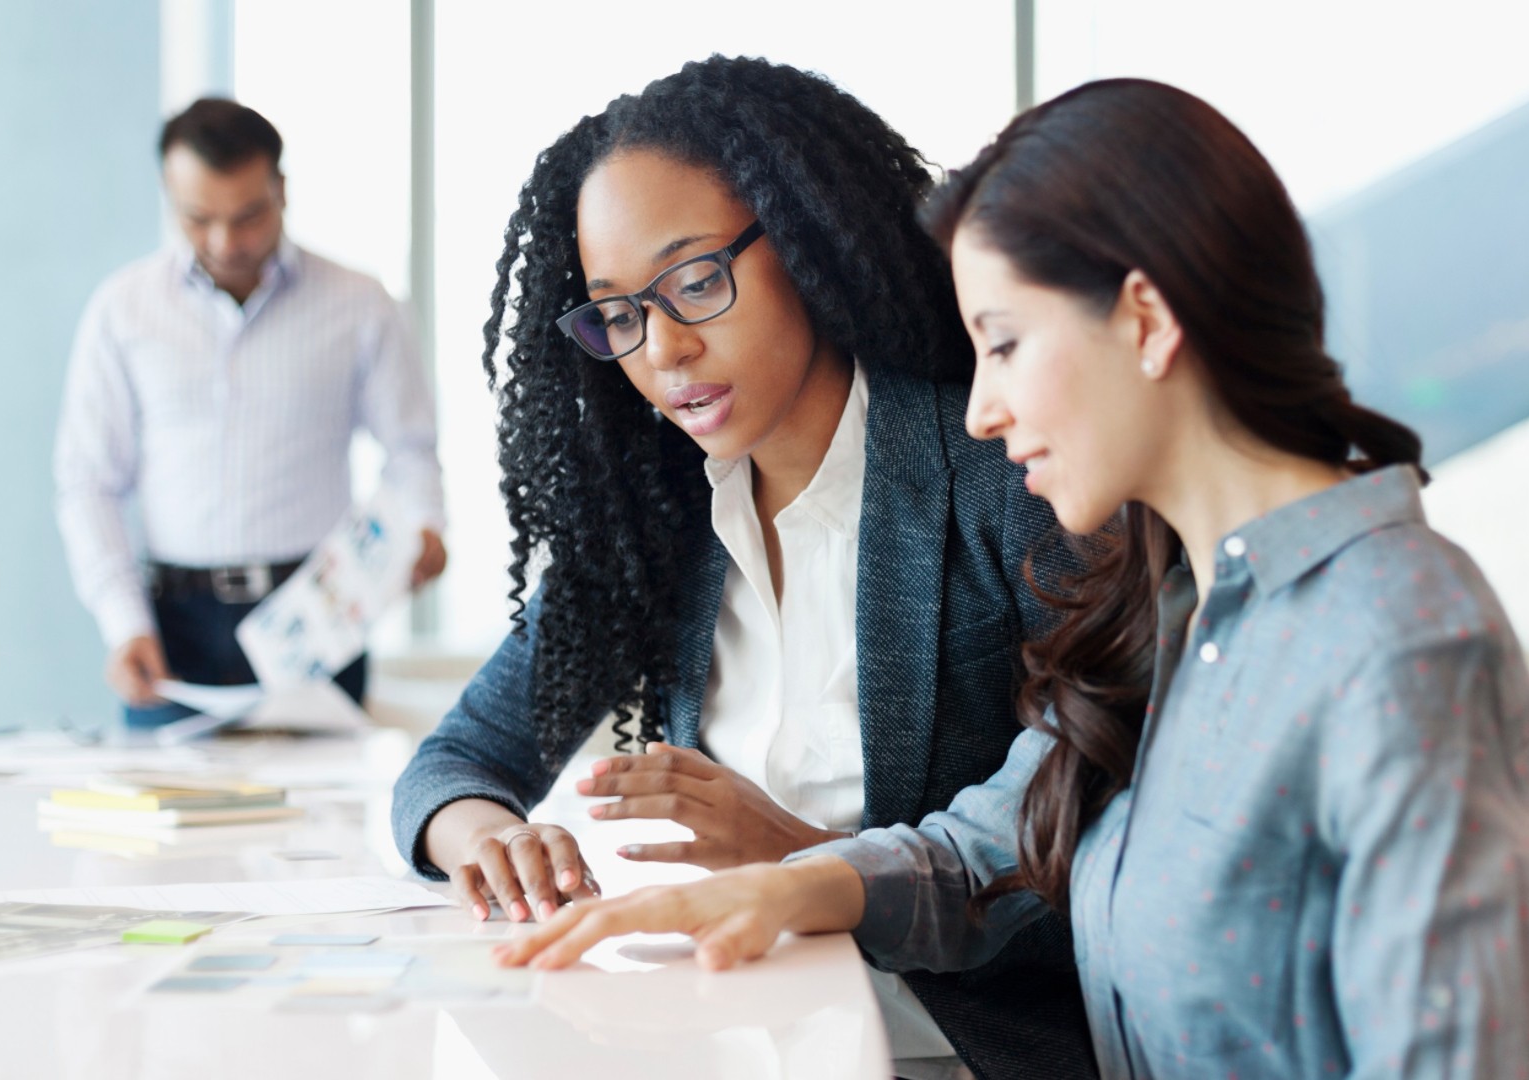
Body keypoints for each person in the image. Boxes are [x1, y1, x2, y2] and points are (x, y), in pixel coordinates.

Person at [496, 79, 1529, 1080]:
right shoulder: (1181, 606)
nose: (979, 411)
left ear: (1147, 320)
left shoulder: (1394, 635)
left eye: (1005, 344)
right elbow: (997, 839)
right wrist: (785, 885)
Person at [391, 56, 1092, 1080]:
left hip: (948, 1050)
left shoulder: (1002, 476)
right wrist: (486, 839)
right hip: (735, 1035)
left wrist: (797, 854)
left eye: (695, 281)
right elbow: (451, 768)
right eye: (619, 315)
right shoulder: (661, 523)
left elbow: (1089, 855)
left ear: (805, 242)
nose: (664, 349)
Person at [55, 98, 447, 729]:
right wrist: (122, 622)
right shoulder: (122, 311)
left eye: (248, 216)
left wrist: (424, 523)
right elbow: (88, 482)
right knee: (169, 823)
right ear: (168, 196)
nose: (225, 241)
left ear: (282, 191)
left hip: (318, 617)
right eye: (198, 218)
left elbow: (409, 447)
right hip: (172, 627)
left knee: (327, 822)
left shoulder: (360, 304)